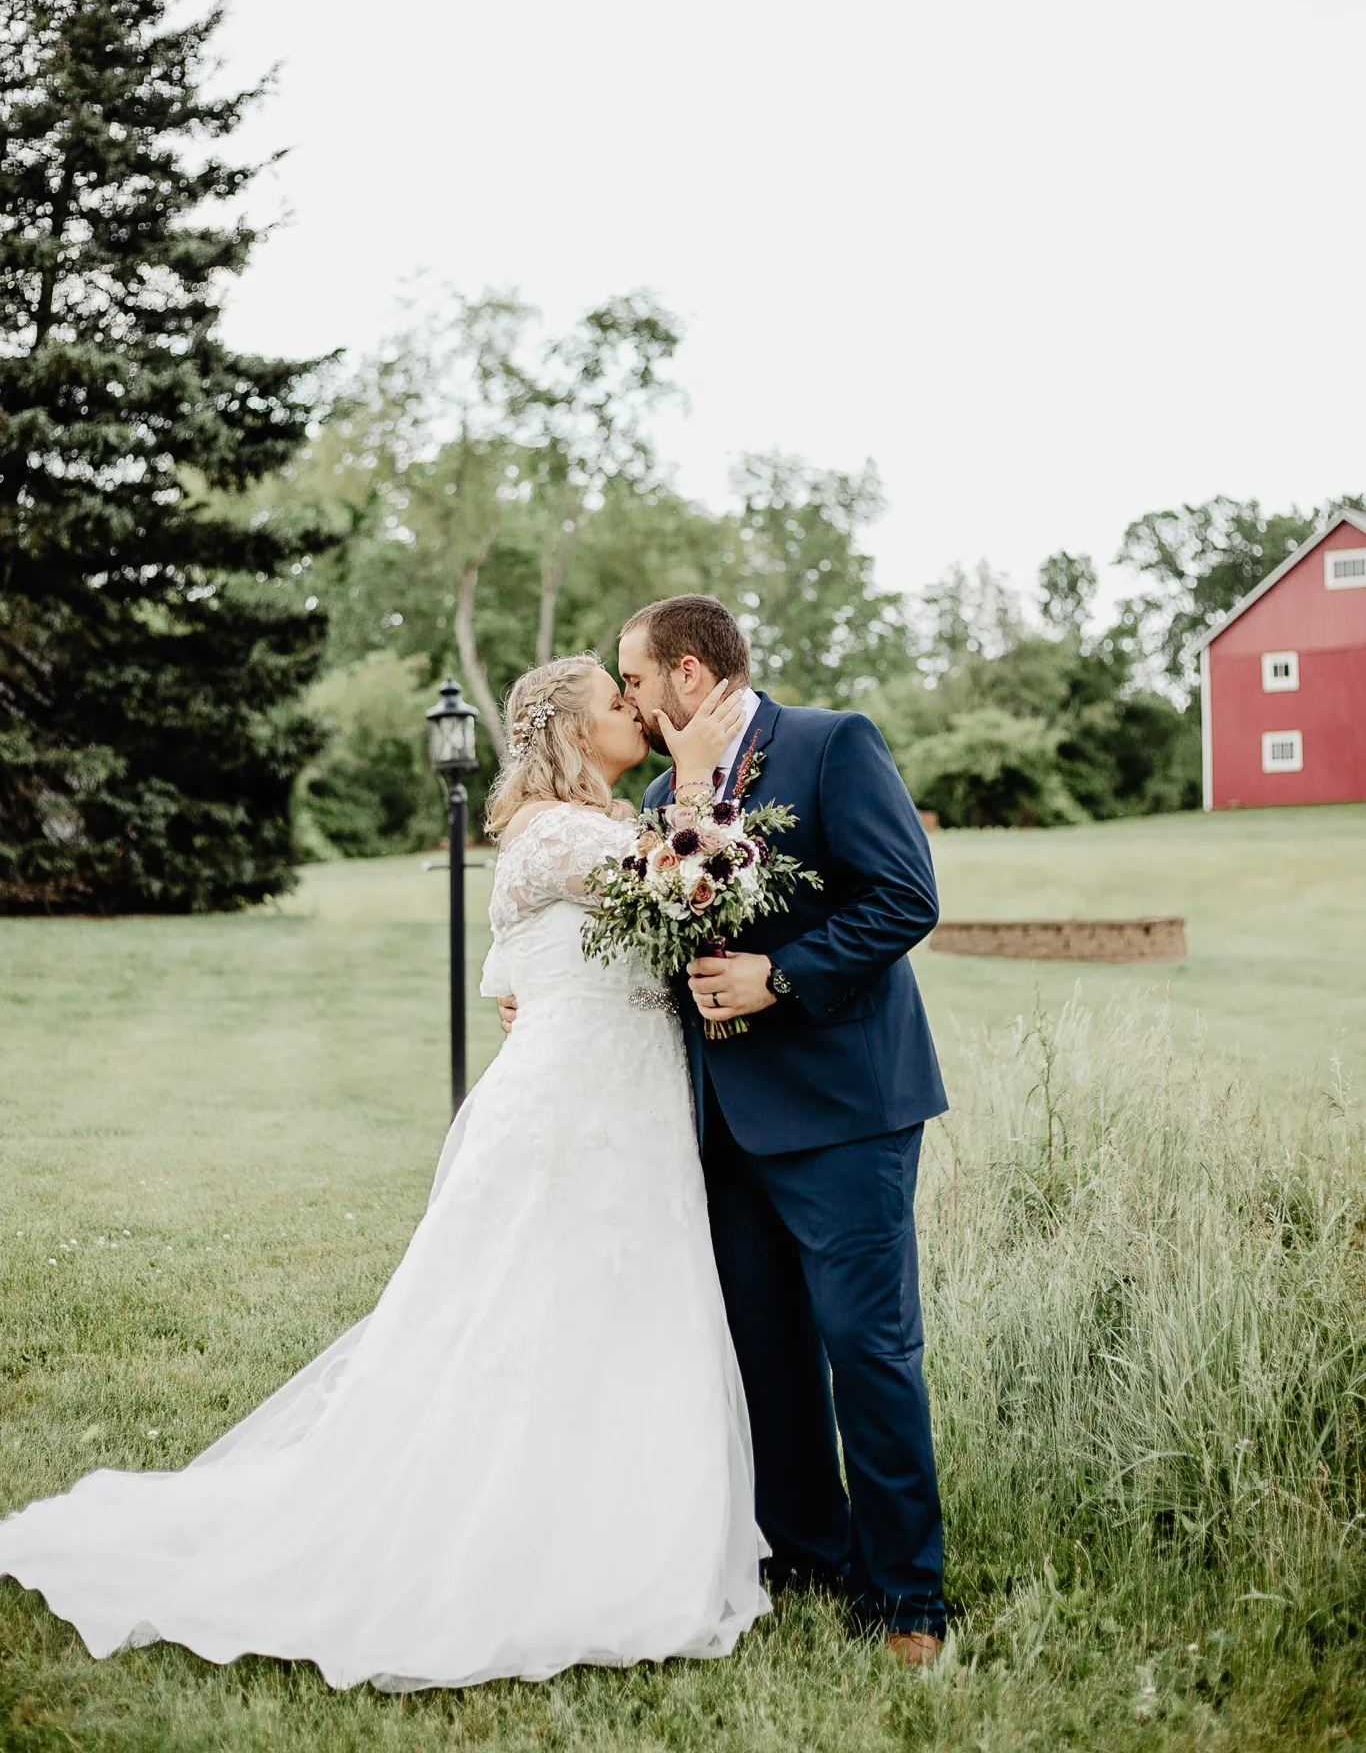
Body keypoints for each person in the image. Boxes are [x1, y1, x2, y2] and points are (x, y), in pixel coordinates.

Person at [0, 656, 769, 1691]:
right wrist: (696, 781)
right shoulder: (562, 830)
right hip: (576, 1106)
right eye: (617, 701)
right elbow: (682, 881)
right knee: (535, 1306)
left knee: (610, 1303)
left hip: (617, 1096)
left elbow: (516, 969)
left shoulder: (567, 830)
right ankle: (519, 1543)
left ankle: (612, 1512)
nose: (636, 710)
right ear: (578, 733)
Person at [501, 595, 948, 1663]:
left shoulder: (831, 743)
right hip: (717, 1121)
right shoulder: (664, 793)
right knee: (768, 1350)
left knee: (867, 1348)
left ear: (690, 674)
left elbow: (903, 897)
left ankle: (908, 1598)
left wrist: (779, 975)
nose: (635, 702)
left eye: (638, 682)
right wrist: (544, 989)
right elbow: (657, 925)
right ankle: (806, 1553)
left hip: (845, 1110)